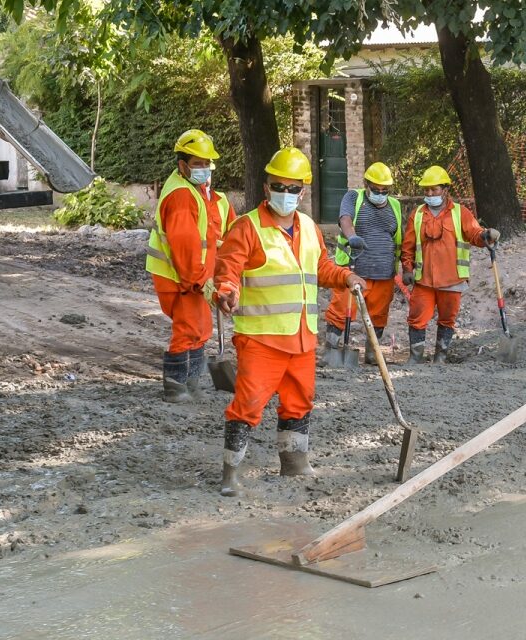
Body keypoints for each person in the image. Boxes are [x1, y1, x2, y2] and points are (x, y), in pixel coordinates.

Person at [212, 147, 366, 497]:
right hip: (262, 339)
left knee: (300, 400)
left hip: (301, 337)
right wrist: (226, 292)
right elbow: (228, 270)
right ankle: (230, 474)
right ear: (266, 187)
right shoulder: (247, 227)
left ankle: (294, 464)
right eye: (278, 185)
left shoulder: (309, 227)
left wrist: (345, 277)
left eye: (293, 188)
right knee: (248, 404)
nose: (286, 193)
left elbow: (321, 267)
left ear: (303, 191)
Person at [145, 129, 234, 402]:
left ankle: (191, 383)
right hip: (182, 278)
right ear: (182, 165)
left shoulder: (205, 195)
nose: (204, 169)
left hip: (194, 277)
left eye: (207, 163)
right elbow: (184, 248)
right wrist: (199, 283)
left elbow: (222, 238)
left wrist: (219, 279)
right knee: (189, 329)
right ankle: (176, 387)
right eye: (198, 164)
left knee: (199, 328)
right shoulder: (182, 196)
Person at [399, 165, 499, 364]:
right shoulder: (417, 214)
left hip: (452, 279)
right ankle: (415, 358)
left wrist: (487, 235)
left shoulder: (460, 213)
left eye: (434, 189)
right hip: (424, 280)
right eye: (426, 190)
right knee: (417, 318)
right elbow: (408, 245)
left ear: (445, 190)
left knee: (447, 320)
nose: (429, 194)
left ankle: (440, 358)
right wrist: (407, 268)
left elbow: (474, 234)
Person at [324, 162, 405, 365]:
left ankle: (372, 353)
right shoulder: (354, 197)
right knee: (341, 311)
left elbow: (399, 238)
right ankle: (332, 352)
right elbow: (345, 219)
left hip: (384, 272)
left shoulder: (394, 205)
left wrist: (406, 266)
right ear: (366, 184)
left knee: (378, 315)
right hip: (353, 270)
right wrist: (352, 237)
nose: (380, 193)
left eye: (384, 190)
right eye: (375, 189)